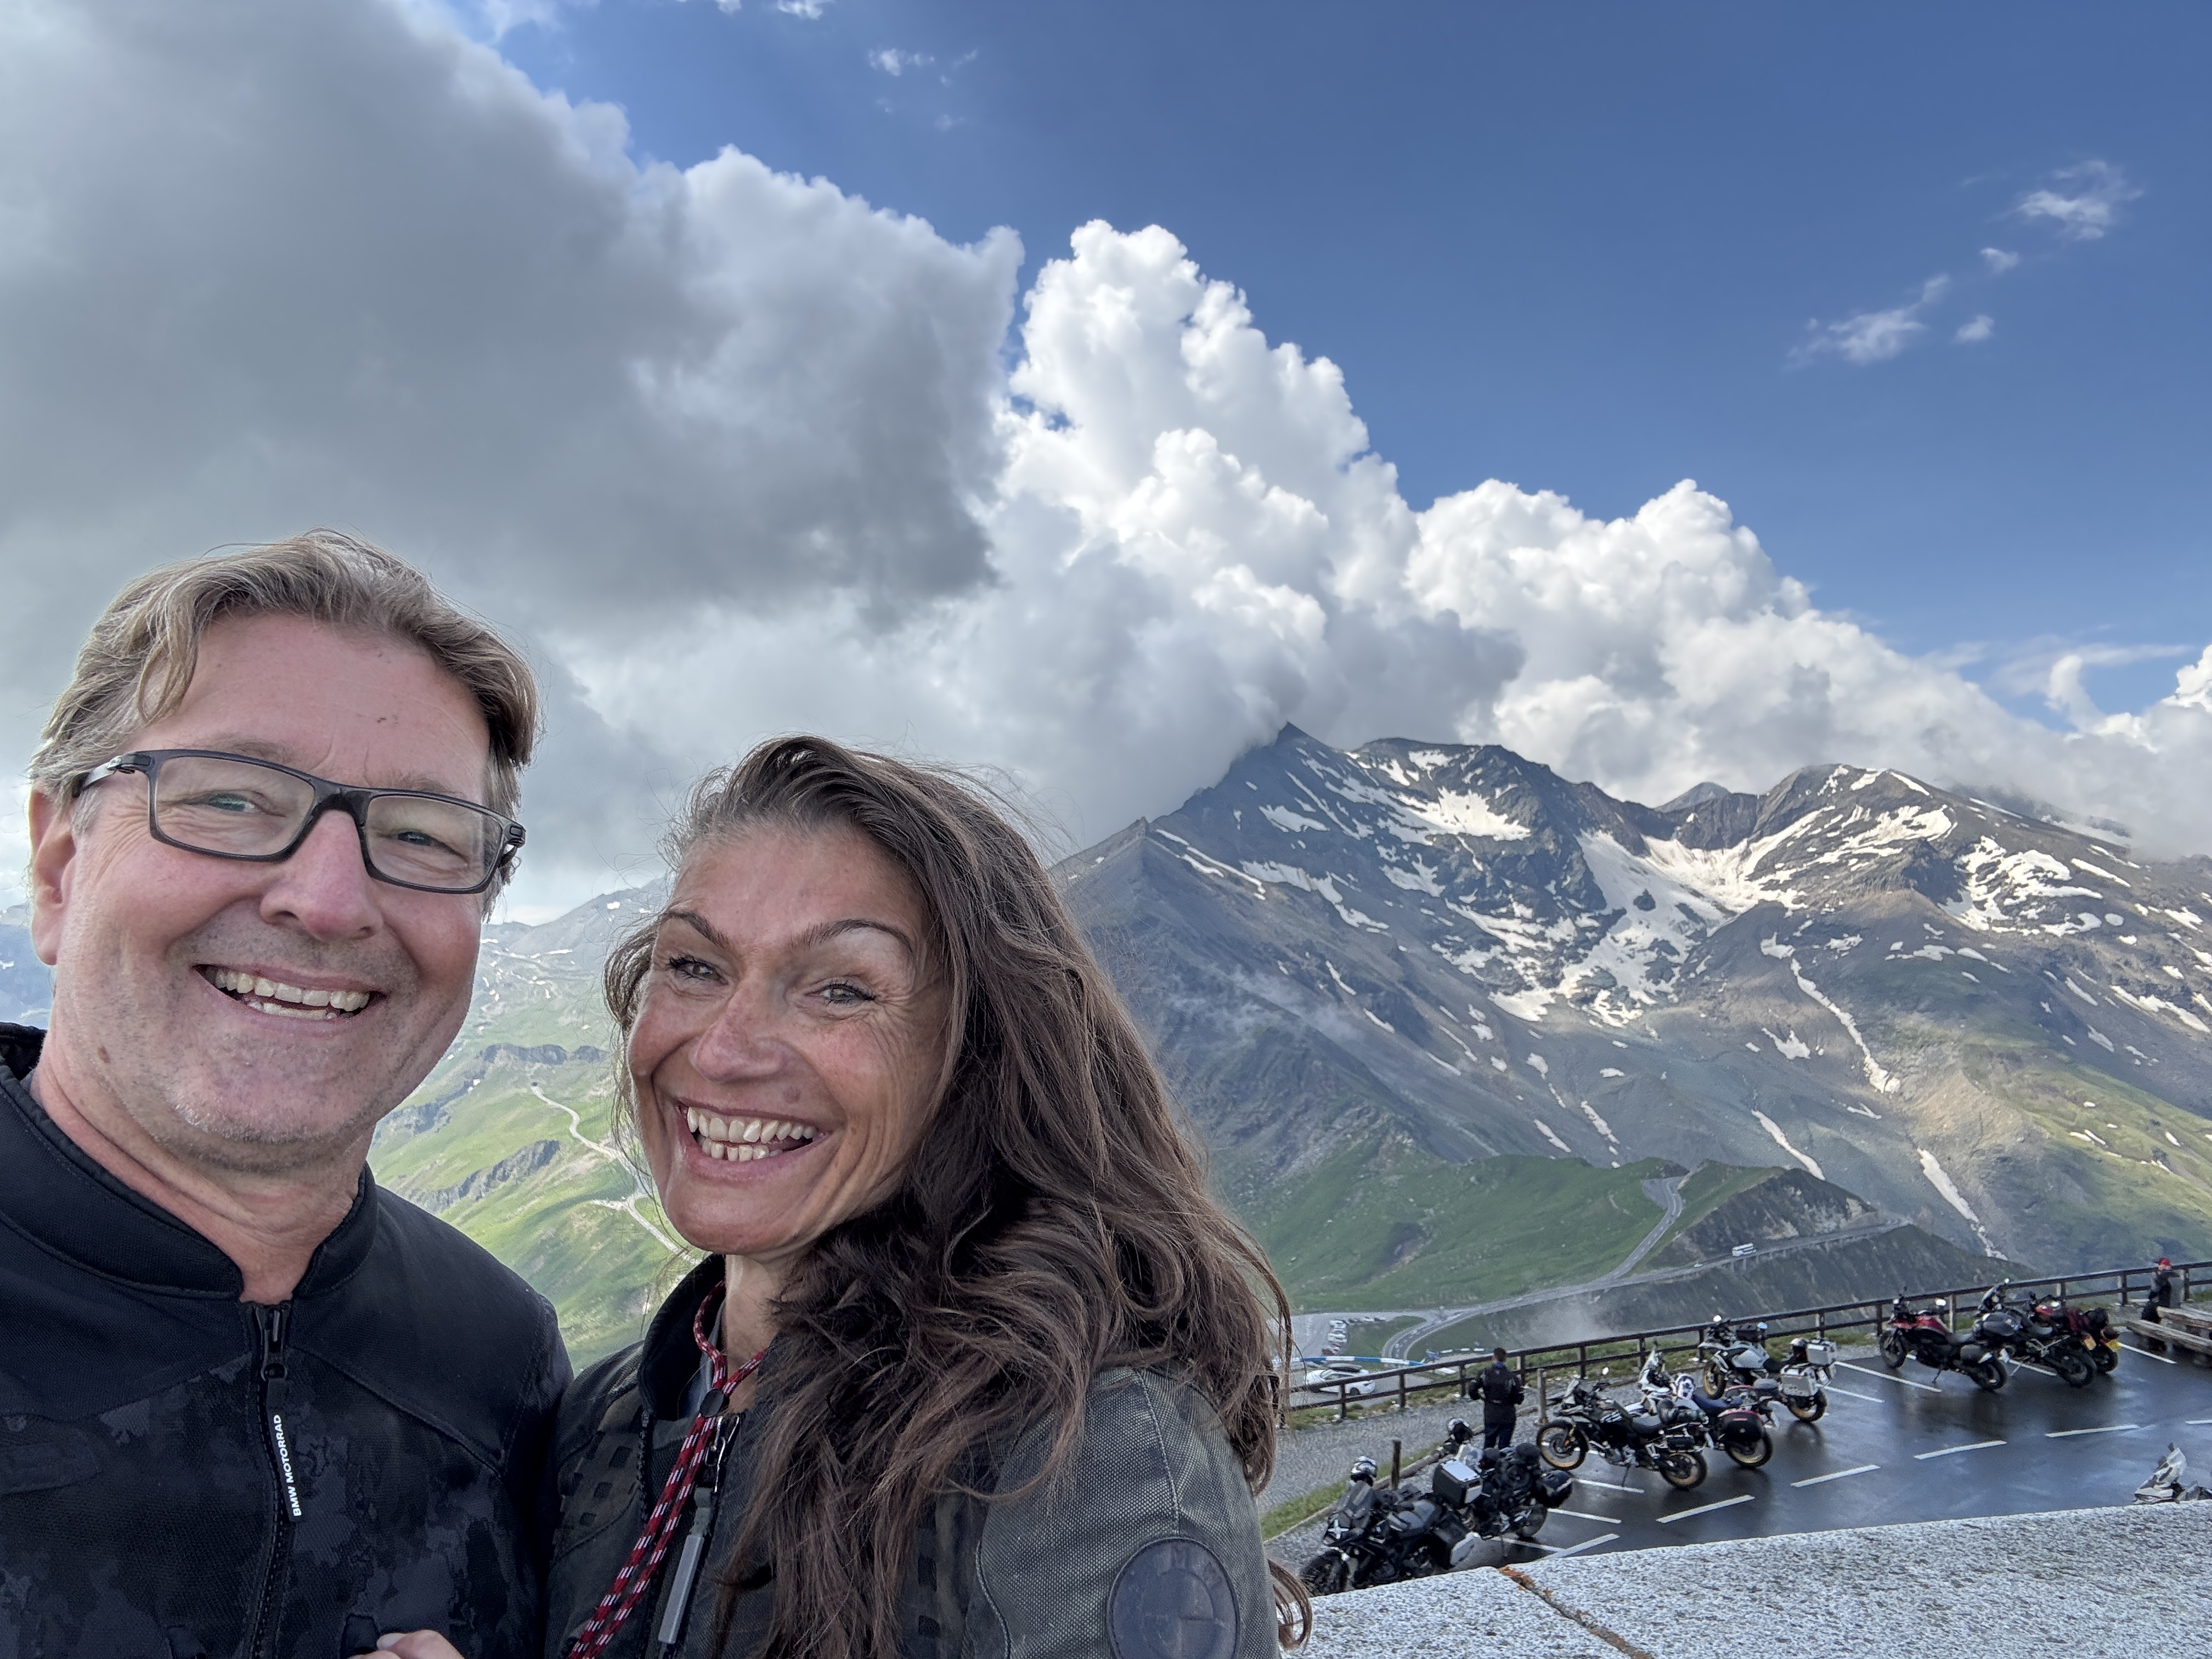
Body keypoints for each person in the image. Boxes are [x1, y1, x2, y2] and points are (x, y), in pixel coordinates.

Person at [384, 736, 1308, 1659]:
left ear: (975, 1059)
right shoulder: (603, 1424)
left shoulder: (1085, 1449)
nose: (723, 1050)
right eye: (694, 966)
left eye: (839, 989)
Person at [1, 534, 568, 1655]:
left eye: (420, 834)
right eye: (231, 799)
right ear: (60, 868)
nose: (327, 899)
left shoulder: (501, 1361)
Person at [1472, 1347, 1524, 1452]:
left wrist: (1479, 1397)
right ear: (1505, 1359)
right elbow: (1519, 1398)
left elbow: (1472, 1389)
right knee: (1504, 1446)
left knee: (1489, 1443)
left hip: (1491, 1411)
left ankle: (1487, 1460)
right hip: (1507, 1412)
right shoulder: (1512, 1377)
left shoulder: (1484, 1374)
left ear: (1493, 1358)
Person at [2146, 1257, 2177, 1323]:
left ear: (2163, 1266)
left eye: (2159, 1265)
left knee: (2149, 1309)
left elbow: (2155, 1291)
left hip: (2166, 1304)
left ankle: (2147, 1324)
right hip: (2177, 1303)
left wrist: (2150, 1298)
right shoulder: (2176, 1275)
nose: (2158, 1266)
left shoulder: (2162, 1277)